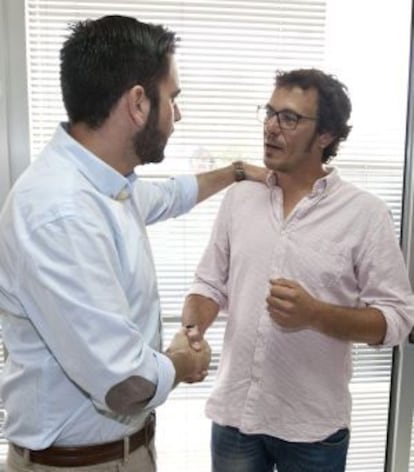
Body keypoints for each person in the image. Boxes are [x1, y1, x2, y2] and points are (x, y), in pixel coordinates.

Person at [0, 15, 268, 472]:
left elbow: (169, 195)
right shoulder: (61, 212)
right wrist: (182, 363)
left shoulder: (105, 186)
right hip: (77, 465)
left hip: (122, 452)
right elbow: (123, 381)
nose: (177, 115)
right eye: (174, 98)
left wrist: (236, 172)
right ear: (138, 103)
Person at [182, 68, 414, 472]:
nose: (271, 127)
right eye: (270, 113)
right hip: (236, 418)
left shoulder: (365, 214)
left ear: (324, 136)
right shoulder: (240, 197)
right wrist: (192, 330)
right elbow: (208, 284)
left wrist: (316, 315)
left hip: (313, 431)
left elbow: (396, 319)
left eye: (289, 118)